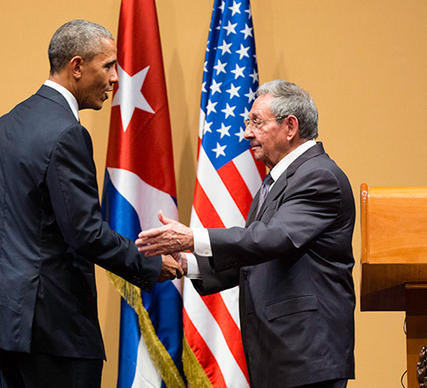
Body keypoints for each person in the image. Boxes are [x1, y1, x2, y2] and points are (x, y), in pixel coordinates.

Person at [0, 20, 183, 388]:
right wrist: (148, 265)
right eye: (109, 65)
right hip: (57, 327)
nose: (116, 79)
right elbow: (84, 232)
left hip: (6, 317)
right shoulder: (68, 133)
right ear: (77, 66)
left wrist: (22, 269)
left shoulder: (4, 125)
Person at [136, 80, 355, 388]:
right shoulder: (277, 181)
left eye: (256, 122)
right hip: (281, 356)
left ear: (290, 126)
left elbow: (273, 238)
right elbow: (257, 257)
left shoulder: (319, 177)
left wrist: (192, 238)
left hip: (307, 356)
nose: (247, 133)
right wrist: (189, 264)